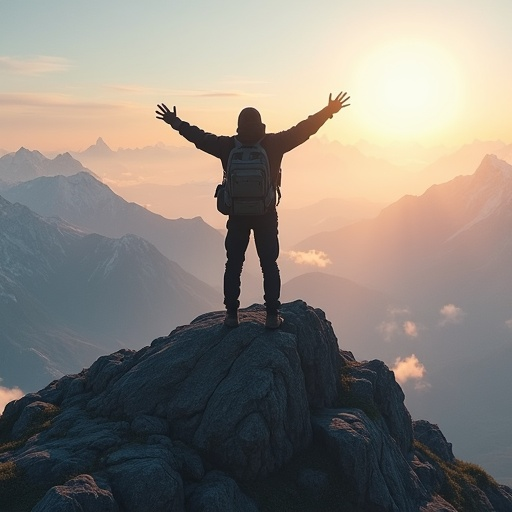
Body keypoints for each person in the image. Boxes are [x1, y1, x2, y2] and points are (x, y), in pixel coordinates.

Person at [155, 91, 350, 329]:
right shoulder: (275, 144)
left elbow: (199, 137)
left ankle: (231, 315)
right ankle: (271, 316)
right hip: (265, 214)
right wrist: (328, 111)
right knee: (269, 264)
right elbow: (304, 129)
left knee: (233, 263)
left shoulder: (227, 146)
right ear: (261, 124)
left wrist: (175, 122)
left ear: (238, 126)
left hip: (237, 214)